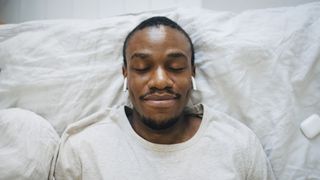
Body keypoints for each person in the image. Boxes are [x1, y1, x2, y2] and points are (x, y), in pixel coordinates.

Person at [53, 16, 275, 180]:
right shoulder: (84, 148)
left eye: (176, 67)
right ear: (126, 74)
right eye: (142, 67)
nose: (160, 81)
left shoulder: (238, 145)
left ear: (192, 73)